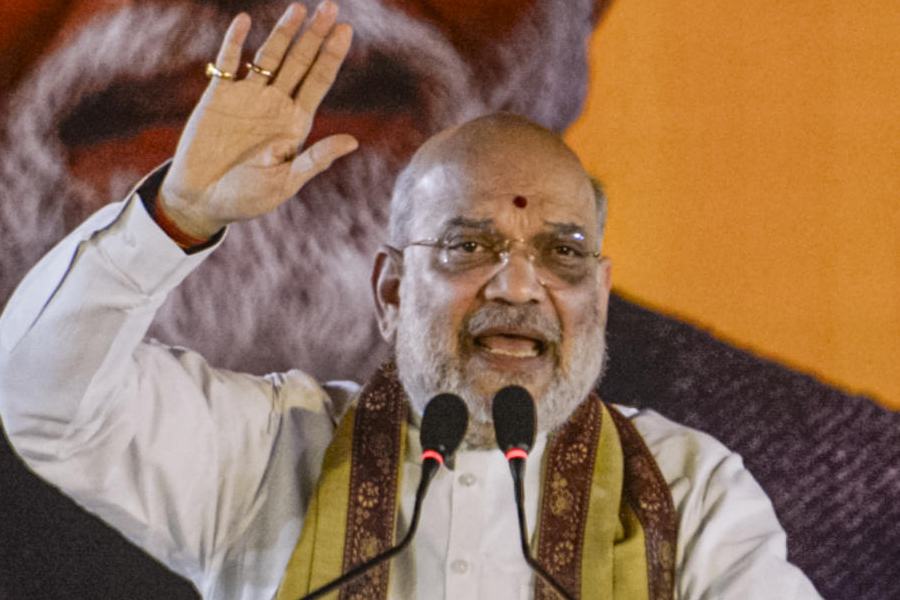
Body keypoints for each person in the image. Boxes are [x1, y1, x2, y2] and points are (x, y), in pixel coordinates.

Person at [0, 3, 821, 599]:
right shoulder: (268, 461)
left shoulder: (691, 486)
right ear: (390, 289)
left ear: (597, 295)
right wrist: (176, 212)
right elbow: (45, 400)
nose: (516, 293)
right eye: (464, 248)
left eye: (561, 256)